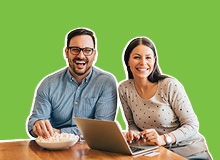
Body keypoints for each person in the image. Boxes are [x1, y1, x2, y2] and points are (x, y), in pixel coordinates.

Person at [118, 37, 212, 159]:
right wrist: (134, 134)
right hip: (157, 152)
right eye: (137, 57)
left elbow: (192, 125)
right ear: (127, 61)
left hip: (189, 151)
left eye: (148, 57)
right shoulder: (124, 89)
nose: (143, 62)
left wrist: (164, 139)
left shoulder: (169, 85)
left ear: (154, 61)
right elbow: (132, 124)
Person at [26, 28, 117, 138]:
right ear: (66, 52)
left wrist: (59, 133)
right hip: (54, 149)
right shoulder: (48, 84)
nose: (81, 56)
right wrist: (37, 124)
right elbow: (34, 121)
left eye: (87, 50)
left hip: (90, 149)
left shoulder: (106, 82)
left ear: (94, 54)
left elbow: (103, 129)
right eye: (75, 49)